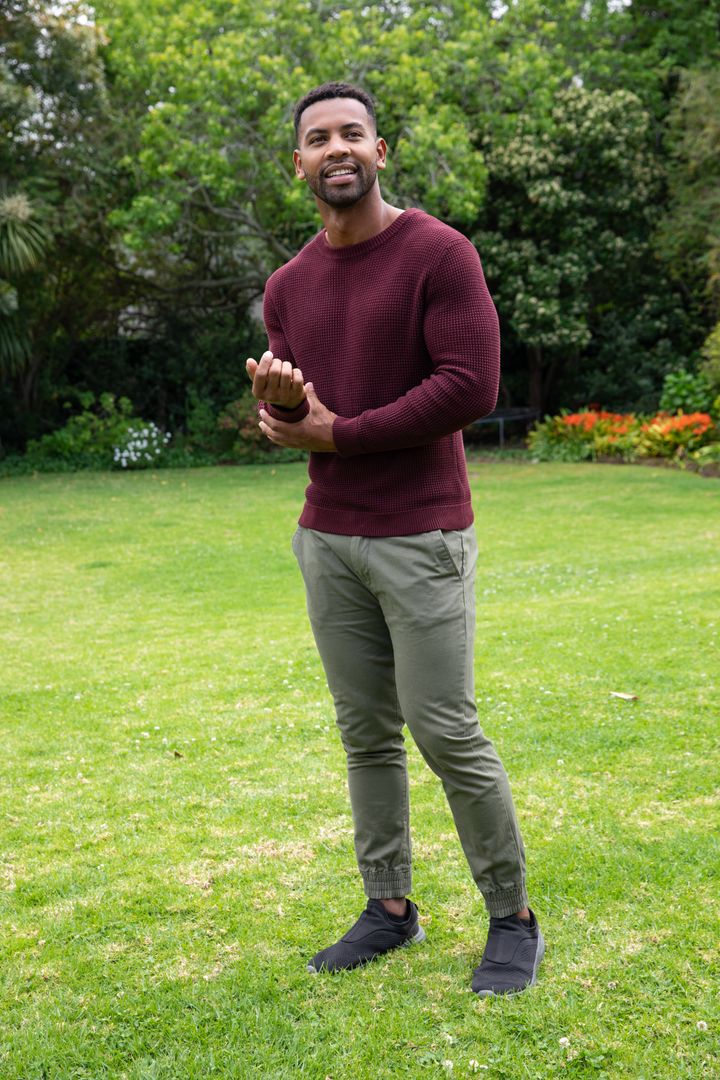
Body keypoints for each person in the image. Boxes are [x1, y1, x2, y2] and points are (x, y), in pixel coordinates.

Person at [246, 81, 544, 996]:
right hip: (327, 536)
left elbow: (469, 386)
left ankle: (512, 919)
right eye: (316, 139)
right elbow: (300, 406)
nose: (336, 149)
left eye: (352, 134)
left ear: (381, 152)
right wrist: (281, 408)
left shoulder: (439, 254)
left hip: (421, 532)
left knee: (444, 727)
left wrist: (335, 432)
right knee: (365, 734)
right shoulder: (287, 285)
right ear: (298, 164)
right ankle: (389, 910)